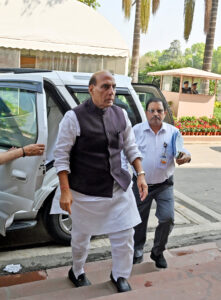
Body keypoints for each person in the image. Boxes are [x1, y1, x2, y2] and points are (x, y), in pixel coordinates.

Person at [53, 70, 148, 293]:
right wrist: (65, 191)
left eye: (113, 87)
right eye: (105, 86)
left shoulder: (121, 114)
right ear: (91, 89)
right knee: (80, 237)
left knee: (125, 235)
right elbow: (61, 156)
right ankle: (76, 271)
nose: (111, 92)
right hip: (85, 192)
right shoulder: (73, 117)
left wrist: (141, 174)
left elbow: (131, 148)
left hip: (118, 187)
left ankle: (120, 275)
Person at [132, 97, 191, 268]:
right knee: (138, 220)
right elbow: (125, 153)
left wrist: (185, 157)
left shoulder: (173, 132)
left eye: (159, 111)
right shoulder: (136, 131)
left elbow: (182, 151)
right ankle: (137, 249)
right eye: (152, 110)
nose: (155, 114)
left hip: (164, 184)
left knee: (167, 218)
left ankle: (158, 252)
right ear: (146, 112)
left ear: (165, 113)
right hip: (140, 184)